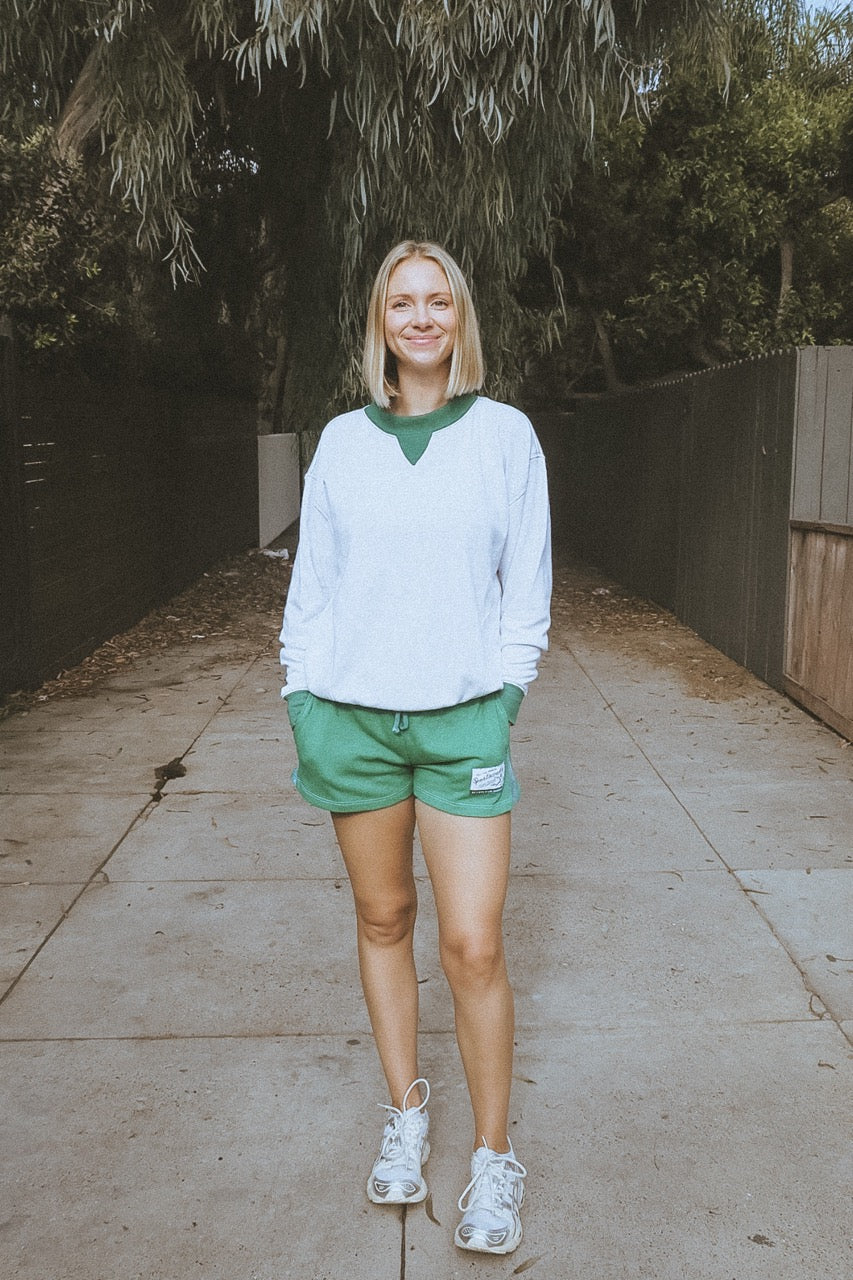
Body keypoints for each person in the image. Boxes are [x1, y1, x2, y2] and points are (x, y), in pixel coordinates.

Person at [279, 239, 551, 1255]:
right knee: (384, 917)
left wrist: (504, 694)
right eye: (405, 301)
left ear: (460, 318)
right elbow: (313, 587)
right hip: (350, 723)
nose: (423, 317)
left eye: (440, 300)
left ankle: (492, 1159)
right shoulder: (342, 443)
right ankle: (406, 1114)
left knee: (472, 942)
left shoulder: (505, 437)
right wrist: (302, 693)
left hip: (461, 723)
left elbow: (526, 585)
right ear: (381, 321)